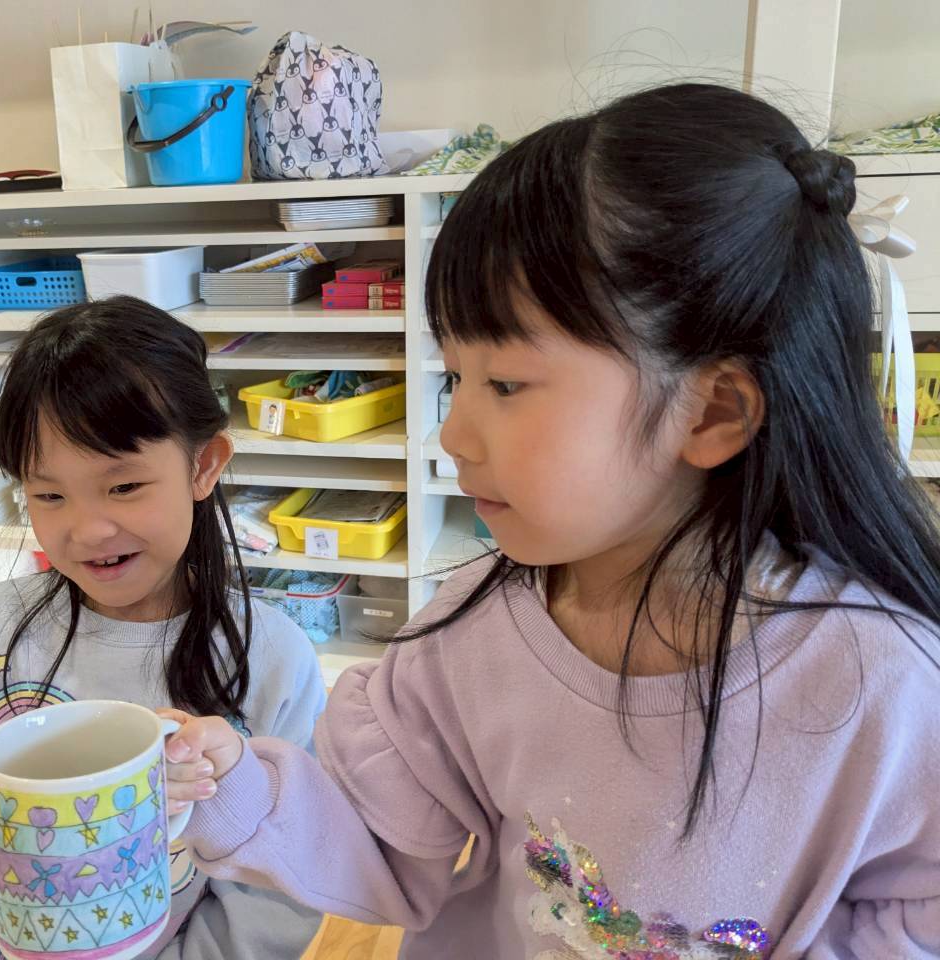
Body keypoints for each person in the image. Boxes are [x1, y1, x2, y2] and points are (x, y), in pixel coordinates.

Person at [161, 83, 940, 958]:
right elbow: (378, 839)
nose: (454, 433)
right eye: (455, 378)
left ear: (713, 410)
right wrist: (238, 788)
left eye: (505, 384)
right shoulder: (473, 637)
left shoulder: (883, 680)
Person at [0, 297, 326, 959]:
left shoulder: (271, 660)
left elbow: (281, 883)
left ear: (203, 465)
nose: (87, 530)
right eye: (49, 495)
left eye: (123, 487)